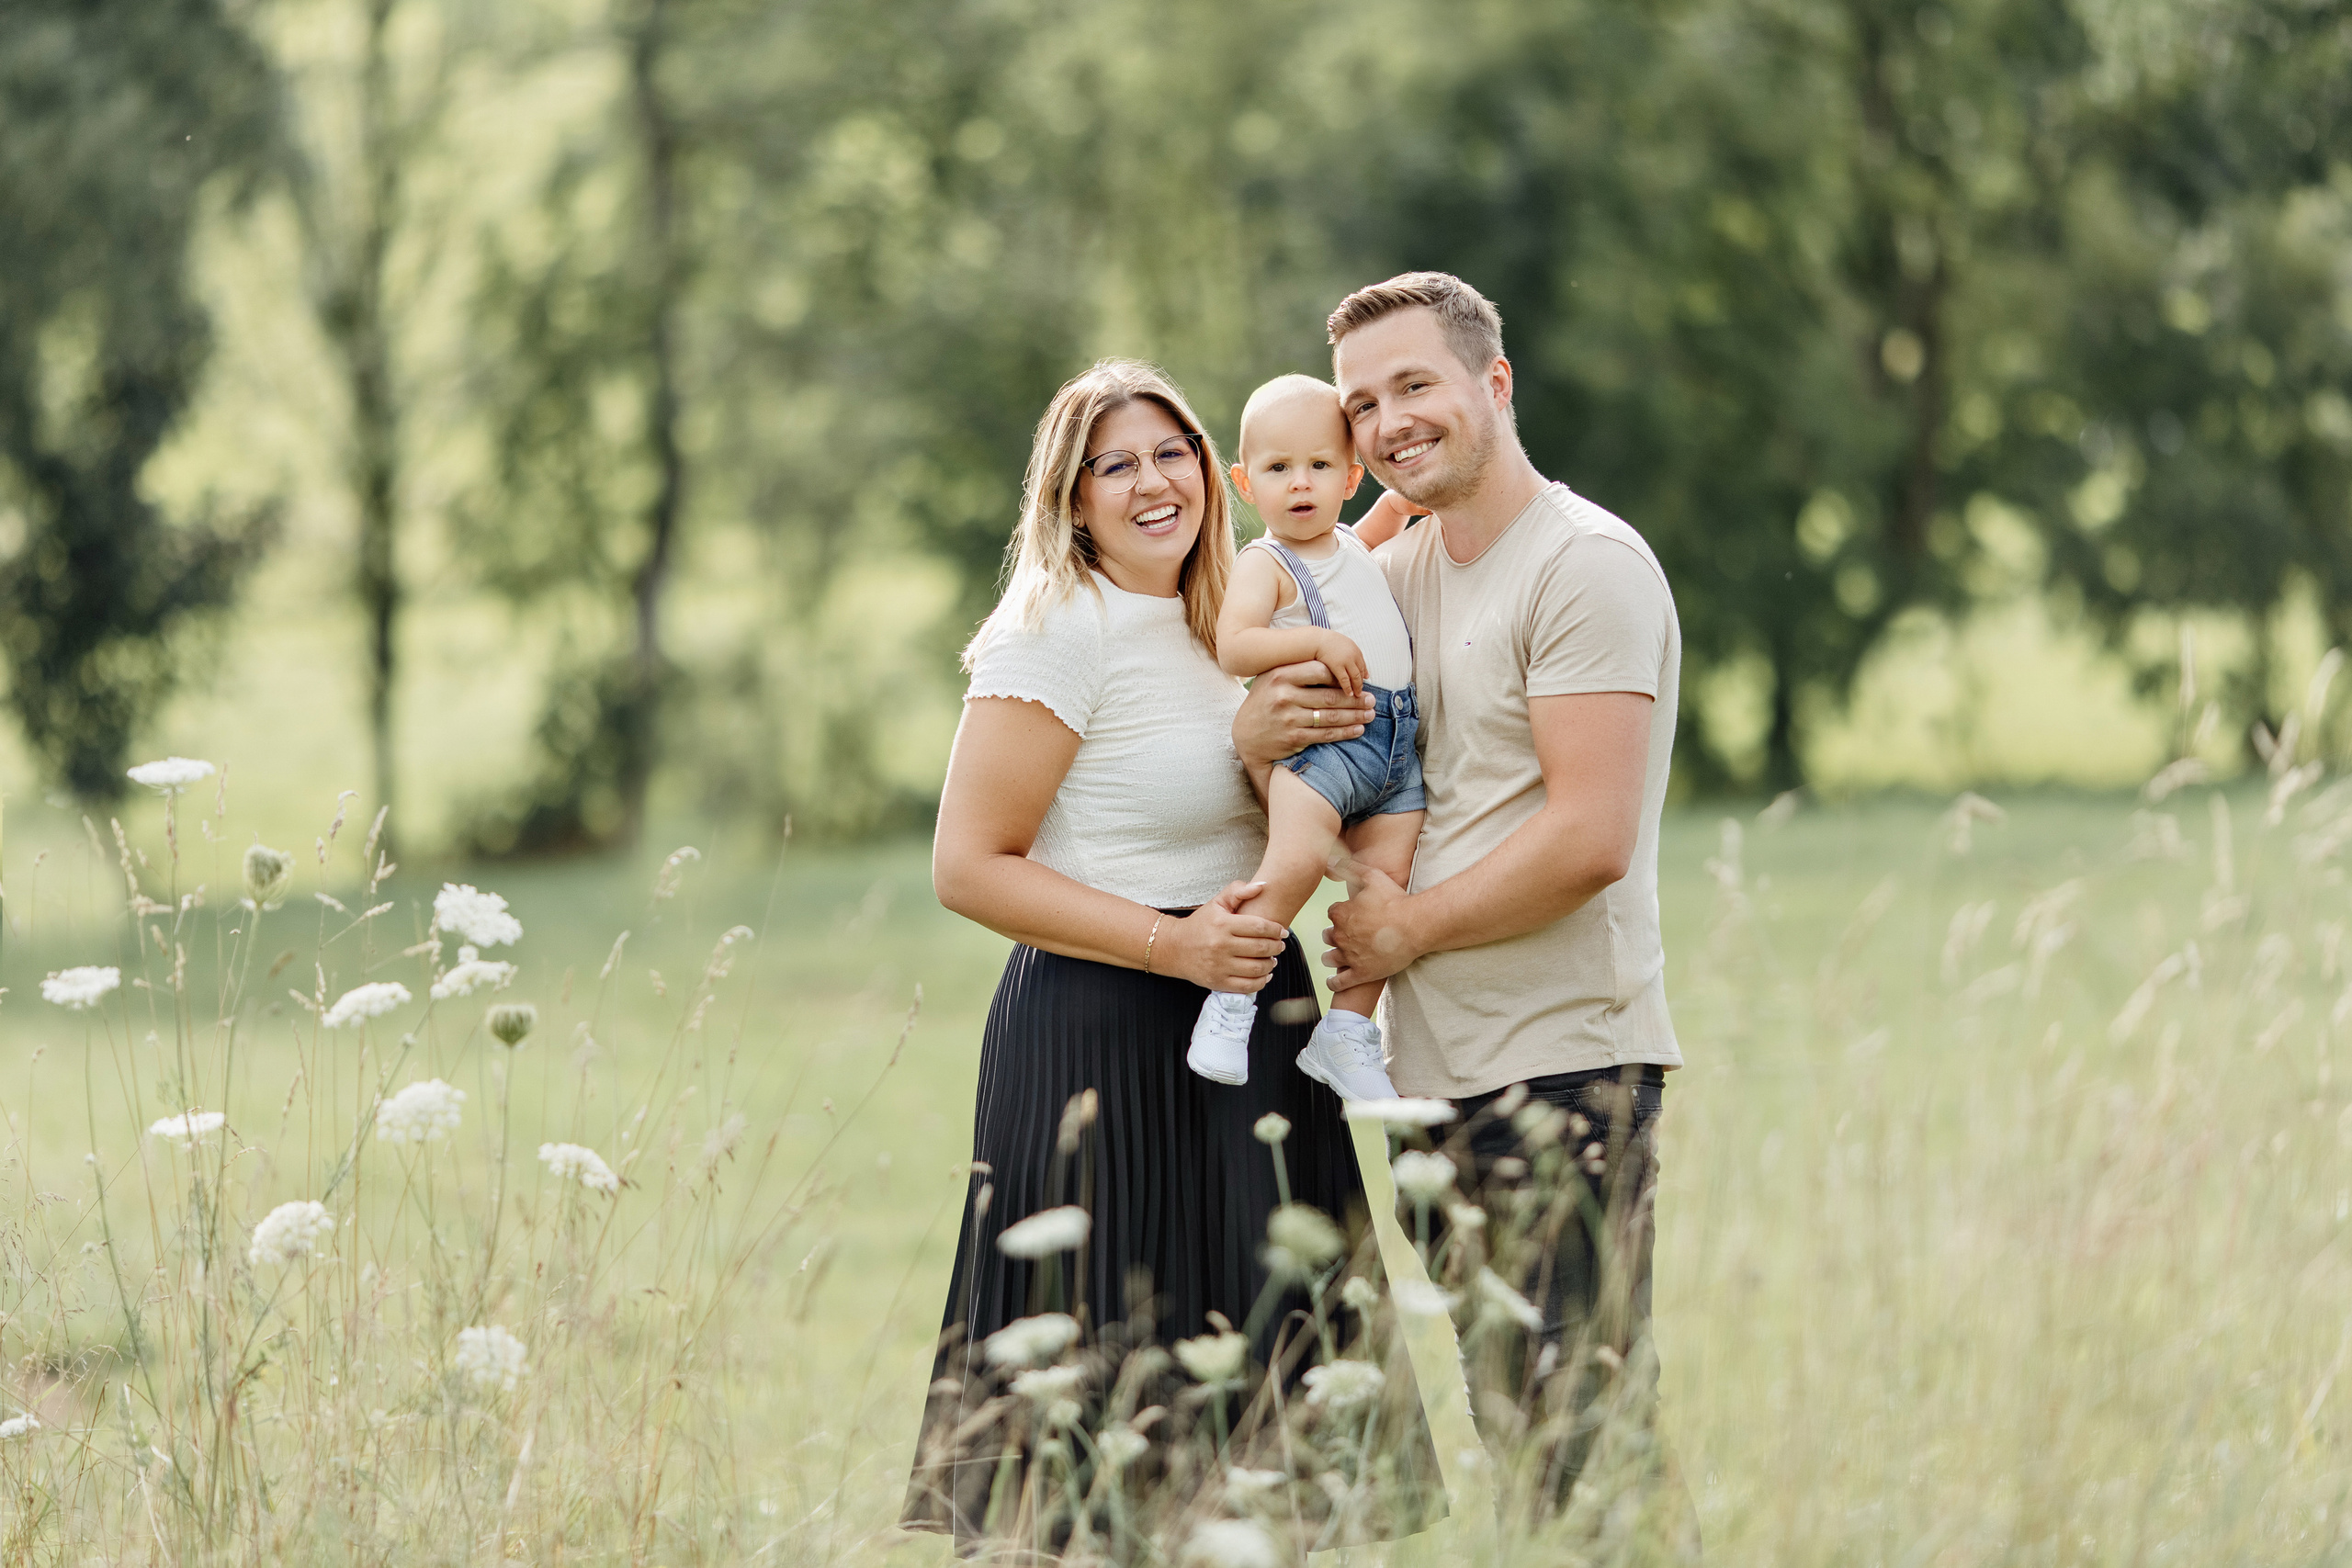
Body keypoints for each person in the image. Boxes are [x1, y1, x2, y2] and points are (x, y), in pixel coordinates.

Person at [902, 358, 1438, 1552]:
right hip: (1100, 1027)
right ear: (1072, 498)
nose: (1154, 481)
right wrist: (1172, 943)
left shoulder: (1251, 613)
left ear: (1214, 467)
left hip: (1256, 1022)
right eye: (1116, 464)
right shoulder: (1056, 629)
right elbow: (967, 864)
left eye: (1173, 451)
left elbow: (1371, 533)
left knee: (1282, 1403)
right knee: (1104, 1413)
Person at [1234, 273, 1690, 1531]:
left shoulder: (1584, 564)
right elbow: (1283, 628)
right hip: (1434, 1068)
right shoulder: (1397, 559)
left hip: (1563, 1067)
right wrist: (1261, 720)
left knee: (1583, 1446)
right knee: (1519, 1433)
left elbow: (1590, 835)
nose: (1387, 421)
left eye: (1416, 384)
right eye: (1363, 401)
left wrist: (1405, 930)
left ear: (1494, 382)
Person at [1185, 374, 1424, 1100]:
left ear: (1350, 476)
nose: (1300, 484)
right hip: (1320, 752)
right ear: (1244, 483)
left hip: (1395, 752)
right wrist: (1315, 642)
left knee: (1386, 895)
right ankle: (1229, 1006)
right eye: (1278, 468)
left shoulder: (1348, 539)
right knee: (1288, 870)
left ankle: (1348, 1031)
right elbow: (1235, 646)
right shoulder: (1268, 564)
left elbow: (1381, 527)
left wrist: (1406, 501)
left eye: (1320, 466)